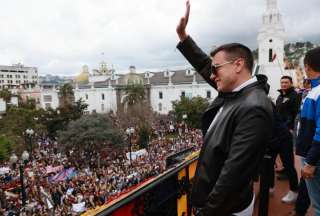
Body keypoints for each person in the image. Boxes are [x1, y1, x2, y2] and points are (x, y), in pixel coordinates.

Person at [176, 1, 273, 215]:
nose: (211, 75)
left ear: (238, 65)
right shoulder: (236, 92)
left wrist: (207, 212)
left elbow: (233, 175)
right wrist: (183, 37)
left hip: (225, 209)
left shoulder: (253, 107)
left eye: (216, 69)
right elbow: (205, 65)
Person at [296, 47, 320, 216]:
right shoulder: (313, 91)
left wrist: (310, 162)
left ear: (307, 67)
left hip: (315, 157)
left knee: (318, 205)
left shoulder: (317, 93)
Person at [274, 76, 299, 203]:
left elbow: (294, 114)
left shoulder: (294, 96)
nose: (283, 84)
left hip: (286, 133)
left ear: (291, 83)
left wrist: (289, 128)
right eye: (282, 82)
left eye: (286, 82)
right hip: (276, 132)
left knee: (288, 162)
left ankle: (294, 190)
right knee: (271, 159)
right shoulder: (279, 96)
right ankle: (270, 186)